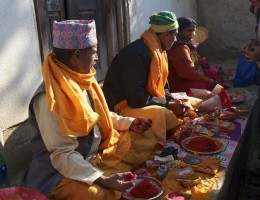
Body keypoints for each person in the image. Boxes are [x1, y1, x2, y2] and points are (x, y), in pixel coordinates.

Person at [24, 20, 158, 200]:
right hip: (57, 171)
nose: (97, 58)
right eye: (94, 52)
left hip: (91, 156)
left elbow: (98, 115)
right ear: (77, 55)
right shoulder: (49, 97)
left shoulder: (83, 79)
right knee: (99, 194)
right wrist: (101, 179)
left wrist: (130, 123)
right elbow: (62, 154)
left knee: (146, 138)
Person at [103, 11, 187, 146]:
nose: (176, 39)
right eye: (175, 35)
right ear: (166, 34)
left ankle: (171, 132)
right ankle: (157, 147)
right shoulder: (135, 54)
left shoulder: (159, 51)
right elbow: (136, 99)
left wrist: (171, 100)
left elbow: (163, 87)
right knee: (161, 113)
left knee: (185, 101)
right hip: (122, 106)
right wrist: (167, 104)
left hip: (138, 100)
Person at [167, 17, 220, 94]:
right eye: (189, 31)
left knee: (211, 73)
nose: (193, 34)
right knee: (204, 87)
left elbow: (195, 63)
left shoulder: (186, 43)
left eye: (194, 31)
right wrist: (209, 81)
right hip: (177, 84)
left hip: (187, 78)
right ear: (179, 32)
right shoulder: (179, 47)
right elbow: (188, 73)